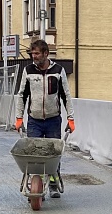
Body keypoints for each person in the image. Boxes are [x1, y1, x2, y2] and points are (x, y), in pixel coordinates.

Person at [14, 39, 75, 198]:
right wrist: (19, 118)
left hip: (53, 119)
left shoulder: (58, 70)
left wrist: (71, 118)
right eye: (32, 53)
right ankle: (36, 184)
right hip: (34, 120)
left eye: (37, 53)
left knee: (53, 154)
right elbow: (22, 95)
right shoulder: (28, 70)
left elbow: (66, 96)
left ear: (46, 53)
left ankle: (53, 183)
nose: (33, 56)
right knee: (33, 154)